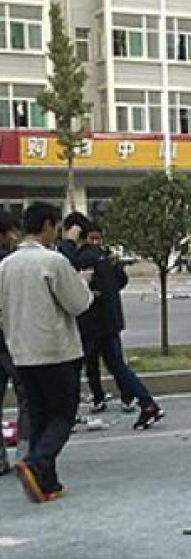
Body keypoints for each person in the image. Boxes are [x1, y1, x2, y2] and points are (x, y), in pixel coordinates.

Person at [0, 202, 93, 502]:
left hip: (21, 351)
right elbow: (78, 303)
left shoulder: (6, 265)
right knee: (63, 415)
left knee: (40, 416)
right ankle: (37, 463)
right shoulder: (53, 262)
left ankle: (47, 482)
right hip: (56, 351)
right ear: (49, 226)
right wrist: (84, 284)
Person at [62, 213, 165, 429]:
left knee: (73, 368)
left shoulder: (83, 256)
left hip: (92, 325)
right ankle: (148, 404)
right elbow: (118, 280)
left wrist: (68, 242)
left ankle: (65, 416)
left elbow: (63, 262)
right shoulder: (102, 255)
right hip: (109, 322)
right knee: (118, 367)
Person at [0, 210, 30, 474]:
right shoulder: (10, 264)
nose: (13, 237)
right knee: (27, 397)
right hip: (12, 340)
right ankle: (25, 455)